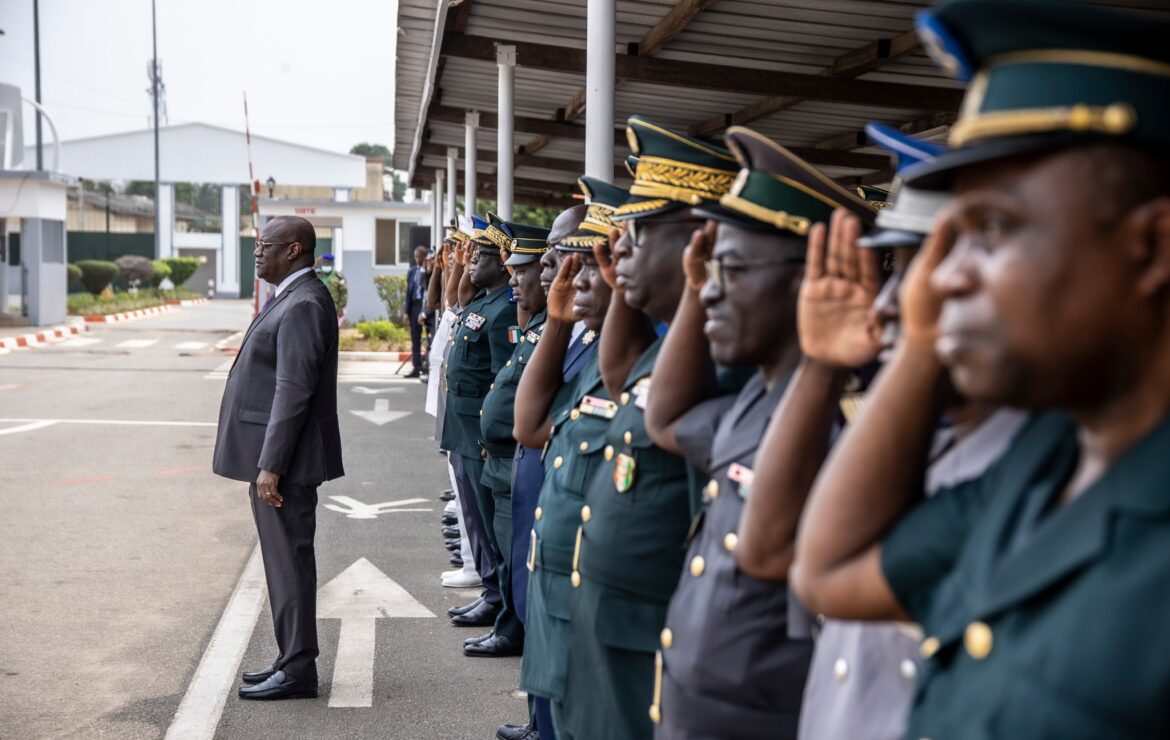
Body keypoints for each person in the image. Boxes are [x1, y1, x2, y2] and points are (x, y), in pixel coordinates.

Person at [790, 1, 1170, 736]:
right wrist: (926, 342)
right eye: (947, 241)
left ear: (1153, 249)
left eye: (992, 229)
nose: (940, 280)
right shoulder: (1045, 467)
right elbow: (829, 573)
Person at [643, 127, 876, 739]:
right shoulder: (757, 395)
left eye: (733, 269)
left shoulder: (850, 422)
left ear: (811, 281)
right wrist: (697, 291)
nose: (712, 286)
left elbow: (769, 555)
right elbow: (665, 419)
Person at [559, 116, 740, 740]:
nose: (620, 250)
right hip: (615, 633)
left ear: (701, 243)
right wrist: (622, 292)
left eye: (637, 232)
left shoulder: (722, 357)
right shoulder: (666, 352)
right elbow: (617, 378)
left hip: (657, 646)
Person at [505, 182, 625, 740]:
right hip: (558, 577)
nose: (560, 275)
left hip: (598, 598)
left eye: (579, 266)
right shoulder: (579, 339)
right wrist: (556, 319)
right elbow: (528, 427)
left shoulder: (632, 360)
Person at [212, 215, 344, 700]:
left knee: (289, 561)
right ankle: (291, 657)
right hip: (278, 459)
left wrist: (272, 464)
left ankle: (298, 669)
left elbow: (294, 390)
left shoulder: (305, 302)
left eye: (264, 244)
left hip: (285, 463)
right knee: (283, 561)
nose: (256, 252)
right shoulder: (292, 296)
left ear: (293, 249)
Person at [462, 214, 553, 660]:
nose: (514, 280)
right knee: (505, 555)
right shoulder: (535, 325)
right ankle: (509, 624)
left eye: (523, 271)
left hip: (518, 460)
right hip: (498, 456)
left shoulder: (552, 330)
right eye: (512, 271)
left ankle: (513, 629)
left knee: (518, 560)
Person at [441, 219, 519, 629]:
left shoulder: (505, 305)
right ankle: (491, 592)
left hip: (479, 433)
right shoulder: (483, 300)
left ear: (504, 265)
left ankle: (498, 599)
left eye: (484, 256)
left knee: (491, 525)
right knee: (476, 517)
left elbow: (499, 379)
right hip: (463, 428)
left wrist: (490, 433)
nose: (473, 262)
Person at [405, 244, 430, 377]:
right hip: (414, 306)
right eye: (415, 256)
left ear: (425, 256)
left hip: (426, 306)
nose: (417, 259)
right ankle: (416, 367)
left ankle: (427, 365)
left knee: (429, 338)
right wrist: (406, 312)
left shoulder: (429, 269)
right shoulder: (412, 271)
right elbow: (408, 292)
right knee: (415, 339)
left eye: (420, 256)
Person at [315, 253, 347, 327]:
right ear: (321, 263)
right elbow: (304, 270)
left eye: (328, 263)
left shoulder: (338, 277)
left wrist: (341, 308)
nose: (326, 265)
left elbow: (344, 294)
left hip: (333, 309)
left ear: (332, 264)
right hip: (317, 308)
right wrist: (315, 262)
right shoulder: (315, 274)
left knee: (331, 332)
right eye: (324, 262)